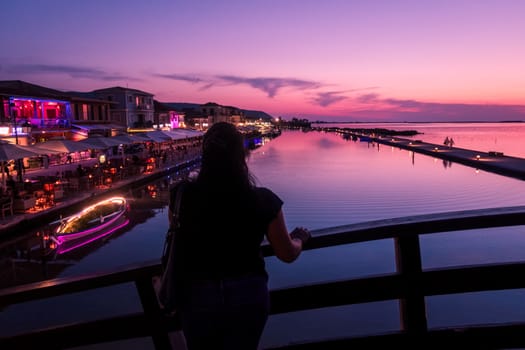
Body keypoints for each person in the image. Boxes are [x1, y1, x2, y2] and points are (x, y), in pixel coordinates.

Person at [165, 122, 311, 350]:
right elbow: (286, 253)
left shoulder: (180, 196)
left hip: (196, 293)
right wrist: (300, 239)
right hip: (247, 293)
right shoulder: (263, 200)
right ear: (241, 154)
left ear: (205, 154)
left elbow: (177, 239)